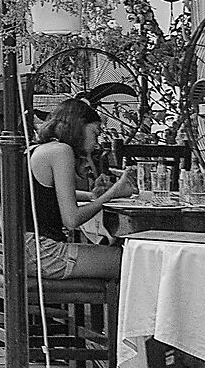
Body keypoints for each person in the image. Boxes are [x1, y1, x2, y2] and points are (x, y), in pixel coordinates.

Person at [22, 95, 132, 280]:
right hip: (44, 253)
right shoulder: (61, 151)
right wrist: (113, 193)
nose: (96, 142)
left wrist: (92, 196)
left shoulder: (38, 149)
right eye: (95, 133)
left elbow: (47, 195)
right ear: (79, 126)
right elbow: (72, 220)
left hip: (22, 250)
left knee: (119, 254)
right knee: (134, 261)